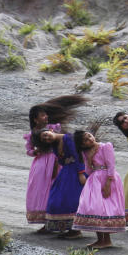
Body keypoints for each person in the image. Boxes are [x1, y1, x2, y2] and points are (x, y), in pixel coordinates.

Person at [25, 95, 86, 230]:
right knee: (41, 190)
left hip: (56, 160)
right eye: (42, 115)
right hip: (41, 164)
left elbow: (63, 142)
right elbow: (28, 150)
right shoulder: (32, 134)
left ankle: (56, 219)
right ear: (35, 119)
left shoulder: (53, 128)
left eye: (46, 115)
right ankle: (47, 220)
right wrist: (35, 152)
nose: (45, 117)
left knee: (54, 189)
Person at [71, 129, 126, 249]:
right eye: (85, 140)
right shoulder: (86, 153)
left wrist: (108, 183)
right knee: (95, 208)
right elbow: (88, 171)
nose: (90, 139)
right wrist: (89, 158)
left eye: (89, 136)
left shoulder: (105, 146)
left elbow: (111, 165)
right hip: (94, 180)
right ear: (82, 145)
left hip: (108, 179)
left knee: (106, 208)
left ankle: (106, 240)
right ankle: (100, 239)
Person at [33, 129, 85, 237]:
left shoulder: (68, 138)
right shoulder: (55, 144)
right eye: (44, 139)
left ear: (51, 130)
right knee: (56, 198)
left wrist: (81, 173)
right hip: (66, 172)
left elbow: (78, 156)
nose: (47, 138)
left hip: (74, 172)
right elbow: (61, 160)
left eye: (46, 134)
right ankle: (67, 227)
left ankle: (75, 230)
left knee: (71, 200)